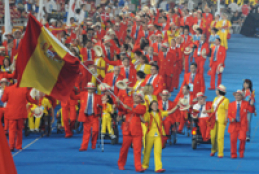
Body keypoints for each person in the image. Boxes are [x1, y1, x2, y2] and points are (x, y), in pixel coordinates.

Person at [142, 100, 179, 173]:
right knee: (147, 151)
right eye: (153, 105)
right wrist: (139, 115)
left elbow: (170, 112)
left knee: (158, 151)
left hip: (158, 134)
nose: (155, 106)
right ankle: (144, 165)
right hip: (149, 134)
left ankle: (158, 167)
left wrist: (177, 106)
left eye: (156, 105)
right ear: (150, 106)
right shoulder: (147, 113)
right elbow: (144, 121)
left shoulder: (160, 112)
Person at [1, 84, 38, 151]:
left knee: (11, 131)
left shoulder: (8, 89)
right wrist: (36, 101)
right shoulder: (25, 89)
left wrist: (4, 92)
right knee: (19, 130)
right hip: (20, 113)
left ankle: (11, 146)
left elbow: (3, 100)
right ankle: (18, 146)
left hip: (11, 113)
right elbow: (30, 99)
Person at [117, 91, 146, 172]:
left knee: (137, 150)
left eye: (138, 97)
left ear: (141, 99)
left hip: (137, 131)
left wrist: (129, 108)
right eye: (135, 96)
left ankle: (138, 167)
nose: (135, 97)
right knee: (124, 149)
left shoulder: (143, 107)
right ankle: (121, 164)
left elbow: (139, 111)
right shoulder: (128, 105)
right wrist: (118, 103)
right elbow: (120, 109)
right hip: (127, 130)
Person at [71, 83, 102, 151]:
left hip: (94, 116)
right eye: (89, 88)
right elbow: (73, 97)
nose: (90, 90)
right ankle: (83, 147)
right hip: (86, 116)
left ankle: (93, 144)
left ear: (94, 89)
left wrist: (100, 115)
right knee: (86, 132)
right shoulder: (82, 94)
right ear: (87, 89)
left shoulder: (98, 97)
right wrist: (71, 89)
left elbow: (100, 107)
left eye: (91, 89)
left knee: (95, 130)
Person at [228, 90, 255, 158]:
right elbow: (228, 114)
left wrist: (251, 104)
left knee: (243, 139)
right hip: (233, 125)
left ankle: (241, 152)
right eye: (236, 95)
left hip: (242, 125)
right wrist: (231, 118)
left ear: (242, 96)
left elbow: (252, 111)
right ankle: (233, 154)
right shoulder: (231, 104)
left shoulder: (246, 103)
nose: (237, 96)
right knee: (233, 140)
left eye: (238, 95)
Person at [208, 85, 229, 158]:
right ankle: (213, 149)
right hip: (214, 119)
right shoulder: (215, 99)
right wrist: (207, 111)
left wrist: (226, 119)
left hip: (222, 120)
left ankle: (220, 152)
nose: (216, 91)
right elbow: (213, 110)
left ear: (220, 91)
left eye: (217, 90)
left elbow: (227, 110)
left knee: (220, 137)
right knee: (213, 136)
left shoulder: (226, 100)